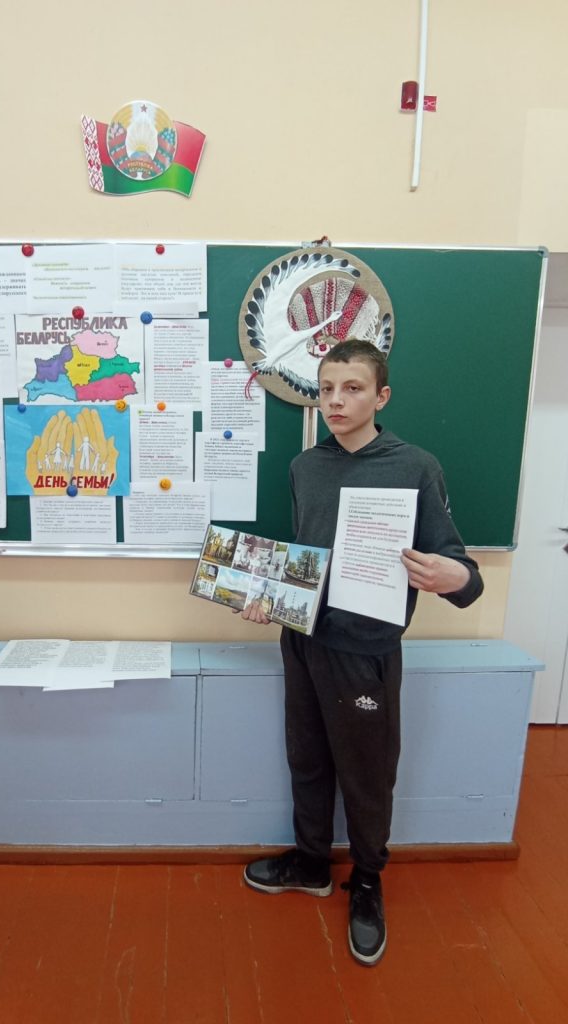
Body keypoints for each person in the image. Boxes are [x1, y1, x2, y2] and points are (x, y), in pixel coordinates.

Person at [240, 339, 483, 966]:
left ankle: (369, 880)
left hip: (365, 649)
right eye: (326, 389)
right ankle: (311, 862)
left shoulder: (416, 467)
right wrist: (269, 596)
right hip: (302, 640)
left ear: (382, 396)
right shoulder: (305, 467)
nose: (336, 401)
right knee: (307, 758)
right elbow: (306, 555)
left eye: (352, 388)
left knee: (367, 774)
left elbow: (461, 569)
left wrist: (452, 576)